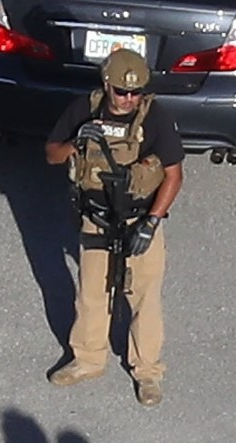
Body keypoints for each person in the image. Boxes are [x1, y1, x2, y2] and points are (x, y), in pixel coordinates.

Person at [44, 48, 184, 407]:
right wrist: (78, 141)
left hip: (138, 219)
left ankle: (148, 371)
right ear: (107, 85)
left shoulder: (155, 118)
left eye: (135, 92)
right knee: (91, 292)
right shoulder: (84, 109)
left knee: (145, 297)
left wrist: (151, 223)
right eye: (121, 91)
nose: (128, 99)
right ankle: (88, 359)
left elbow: (173, 175)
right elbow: (51, 154)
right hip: (97, 218)